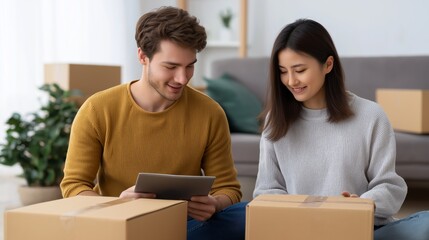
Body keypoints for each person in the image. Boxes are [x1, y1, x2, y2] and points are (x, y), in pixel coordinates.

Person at [60, 6, 246, 240]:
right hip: (120, 225)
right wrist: (117, 206)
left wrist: (215, 204)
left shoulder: (210, 113)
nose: (182, 78)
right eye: (171, 67)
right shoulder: (97, 109)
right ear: (142, 56)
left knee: (246, 215)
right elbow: (74, 186)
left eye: (190, 66)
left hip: (186, 227)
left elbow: (228, 188)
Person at [253, 18, 429, 240]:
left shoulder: (371, 115)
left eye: (299, 70)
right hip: (299, 231)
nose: (290, 81)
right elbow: (266, 190)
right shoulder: (275, 121)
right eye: (283, 71)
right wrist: (301, 216)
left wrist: (361, 204)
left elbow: (389, 185)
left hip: (361, 229)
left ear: (328, 64)